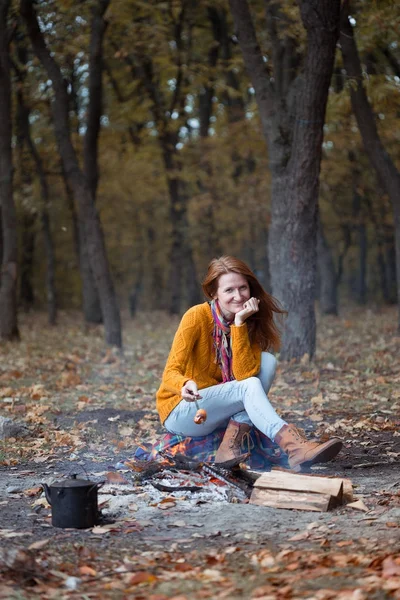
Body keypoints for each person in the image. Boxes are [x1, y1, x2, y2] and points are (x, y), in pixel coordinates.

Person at [156, 256, 342, 470]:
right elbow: (171, 371)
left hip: (218, 411)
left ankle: (230, 446)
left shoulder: (247, 321)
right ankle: (294, 447)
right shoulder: (196, 317)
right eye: (229, 290)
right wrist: (184, 383)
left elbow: (245, 375)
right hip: (186, 410)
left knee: (268, 362)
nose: (238, 296)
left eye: (242, 288)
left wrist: (239, 324)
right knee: (250, 385)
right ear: (213, 293)